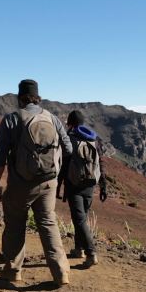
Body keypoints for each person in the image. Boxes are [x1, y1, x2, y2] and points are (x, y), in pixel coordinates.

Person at [0, 79, 73, 286]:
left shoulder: (11, 119)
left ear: (20, 97)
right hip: (49, 182)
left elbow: (0, 156)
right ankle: (61, 272)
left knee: (15, 224)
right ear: (38, 97)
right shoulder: (52, 118)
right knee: (48, 223)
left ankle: (13, 271)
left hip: (21, 183)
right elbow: (68, 148)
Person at [58, 110, 108, 267]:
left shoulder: (70, 140)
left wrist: (59, 187)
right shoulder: (94, 140)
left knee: (79, 219)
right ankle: (78, 249)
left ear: (70, 123)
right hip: (90, 184)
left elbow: (63, 166)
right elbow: (101, 163)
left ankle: (91, 253)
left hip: (74, 185)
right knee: (81, 218)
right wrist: (103, 186)